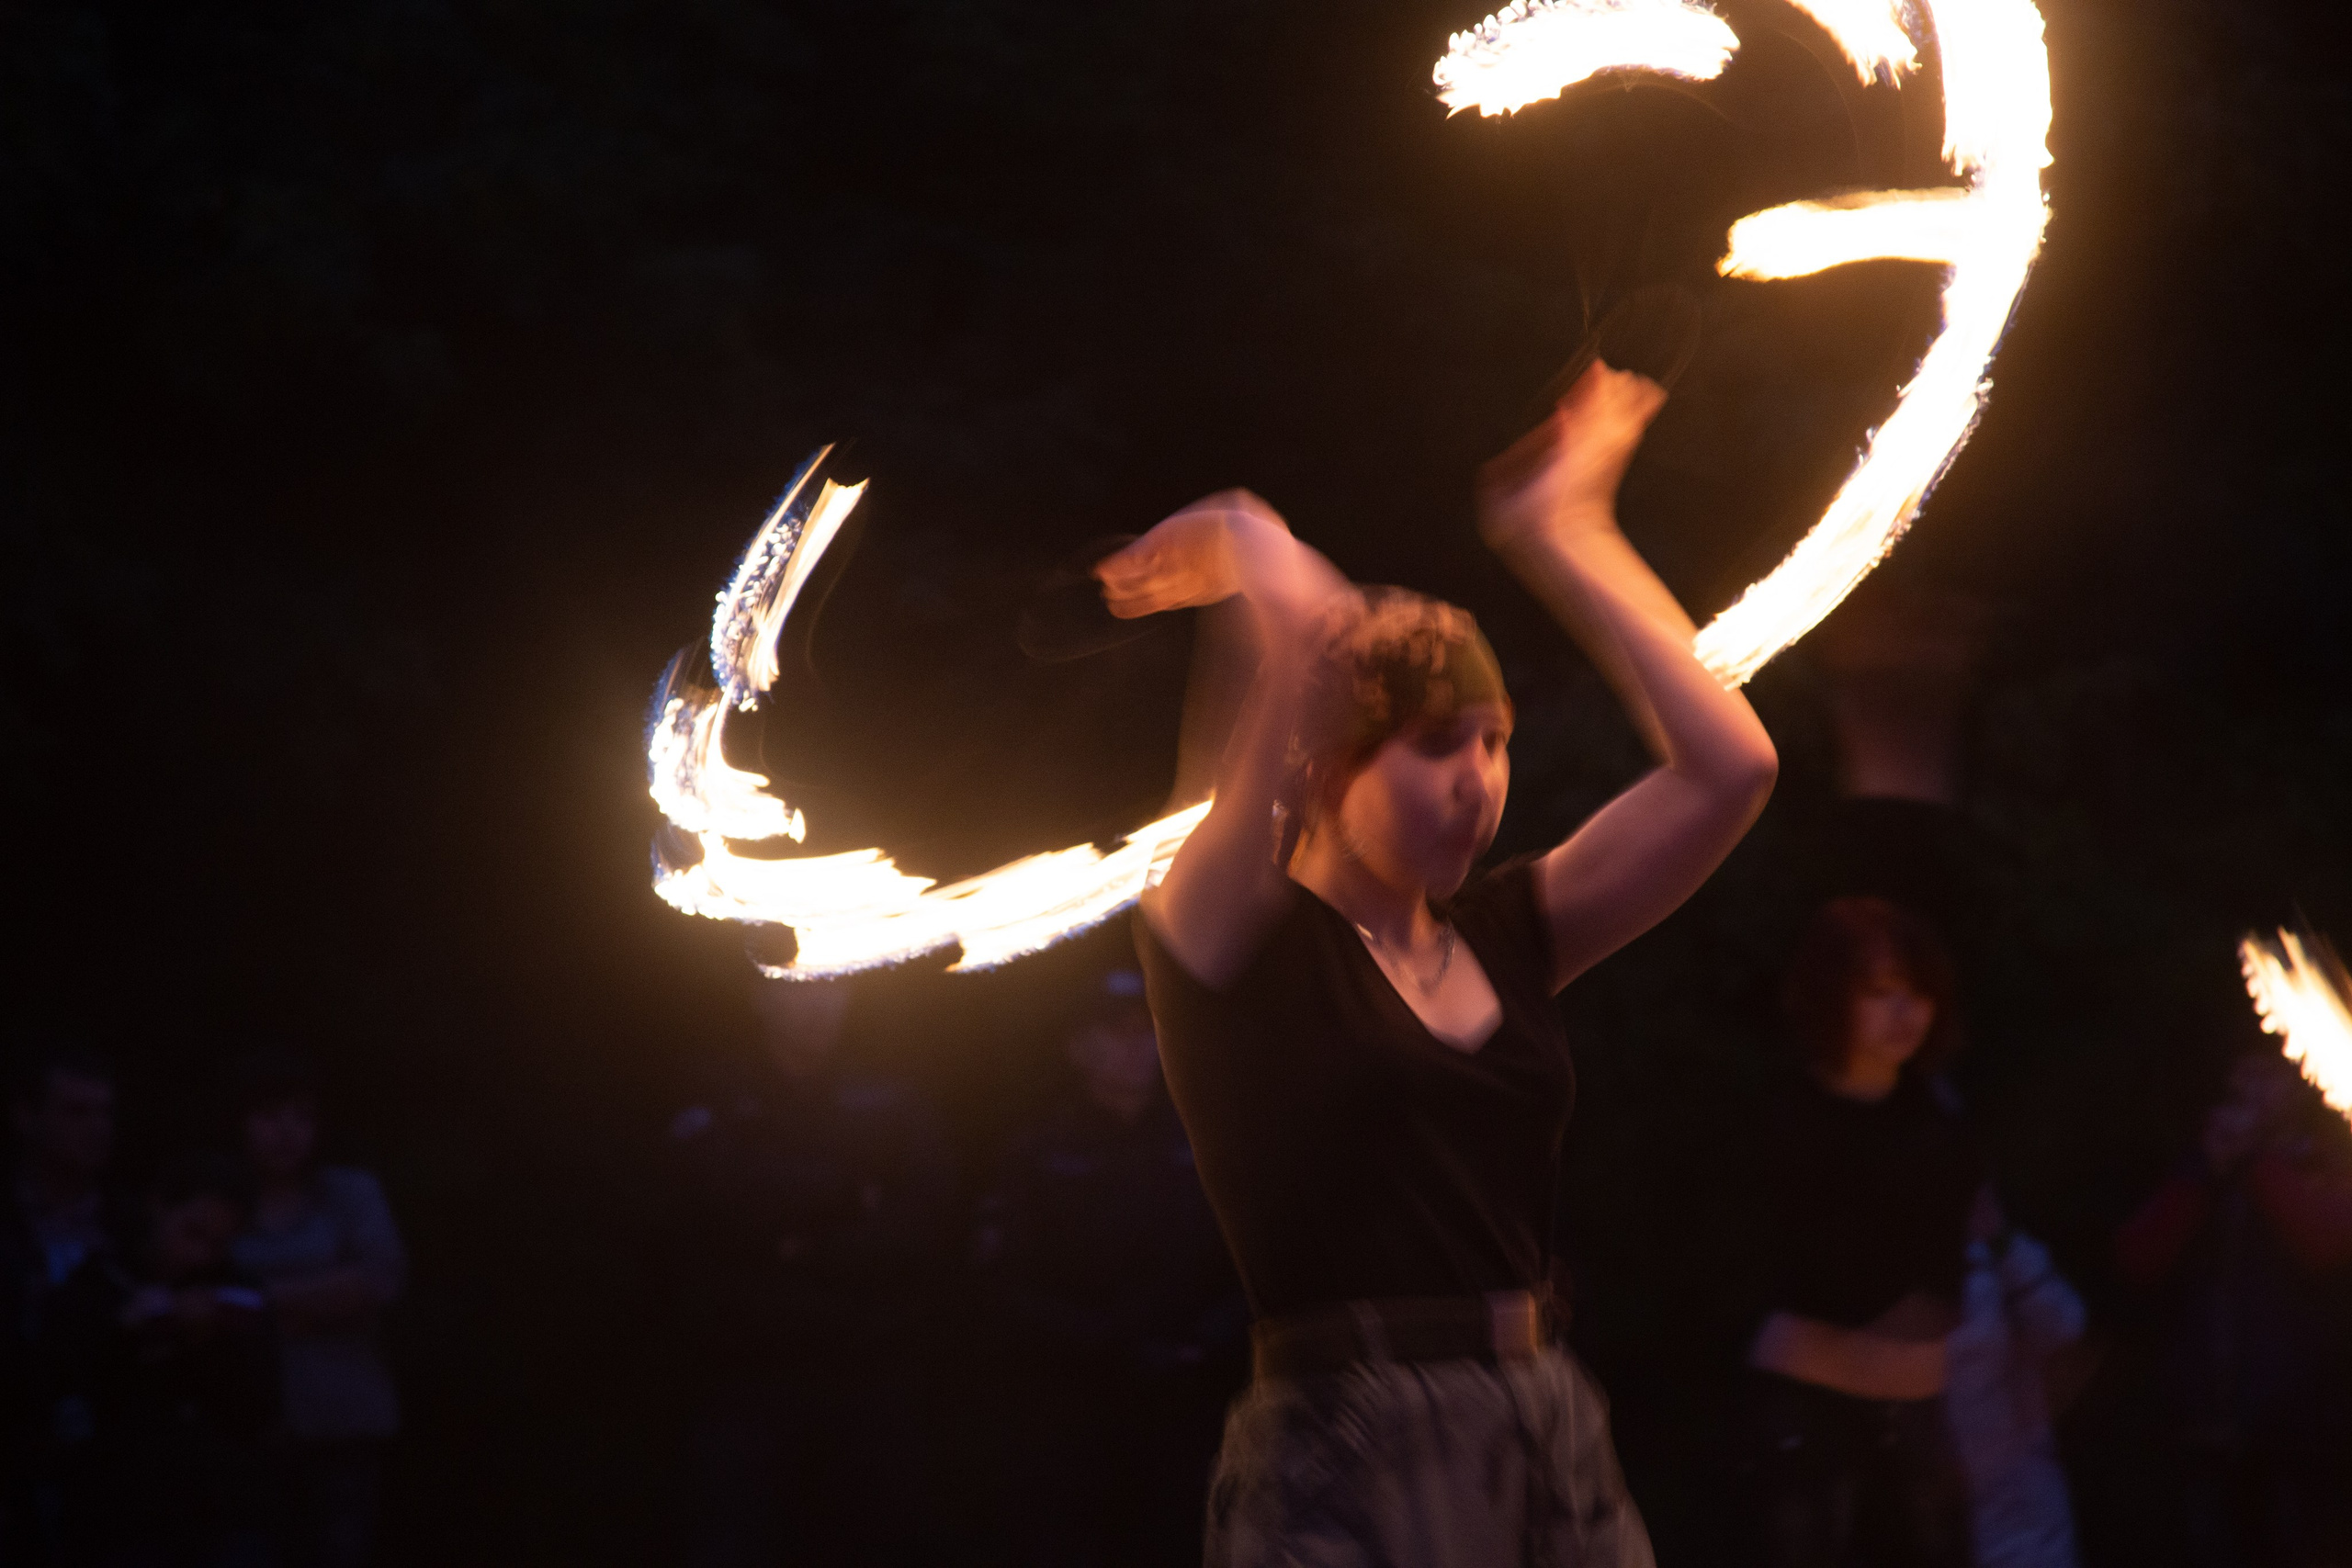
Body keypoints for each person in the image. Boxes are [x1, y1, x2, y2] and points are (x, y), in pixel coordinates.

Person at [1103, 362, 1778, 1564]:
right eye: (1432, 744)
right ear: (1327, 767)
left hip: (1543, 1427)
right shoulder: (1230, 936)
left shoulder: (1515, 930)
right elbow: (1305, 634)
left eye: (1496, 739)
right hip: (1345, 1448)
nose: (1480, 777)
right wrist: (1247, 539)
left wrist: (1568, 532)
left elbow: (1731, 767)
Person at [659, 975, 957, 1568]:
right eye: (798, 988)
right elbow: (709, 1200)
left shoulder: (892, 1098)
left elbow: (927, 1214)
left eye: (831, 988)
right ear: (761, 994)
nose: (816, 1004)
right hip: (747, 1375)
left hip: (867, 1374)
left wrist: (803, 1243)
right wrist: (851, 1193)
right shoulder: (716, 1091)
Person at [1731, 895, 1983, 1568]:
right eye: (1881, 992)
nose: (1907, 1013)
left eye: (1918, 993)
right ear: (1832, 996)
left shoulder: (1939, 1126)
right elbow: (1763, 1312)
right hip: (1810, 1434)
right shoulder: (1784, 1124)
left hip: (1918, 1432)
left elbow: (1939, 1299)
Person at [975, 963, 1249, 1567]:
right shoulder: (1038, 1153)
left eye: (1144, 1028)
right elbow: (1007, 1284)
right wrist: (1107, 1343)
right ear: (1077, 1045)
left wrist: (1204, 1342)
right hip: (1078, 1412)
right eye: (1114, 1031)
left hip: (1190, 1403)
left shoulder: (1208, 1141)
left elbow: (1248, 1264)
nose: (1134, 1046)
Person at [2111, 1044, 2352, 1568]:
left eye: (2269, 1075)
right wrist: (2204, 1169)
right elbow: (2138, 1257)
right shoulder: (2198, 1163)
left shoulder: (2325, 1158)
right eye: (2243, 1071)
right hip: (2204, 1442)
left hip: (2303, 1441)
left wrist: (2252, 1162)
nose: (2251, 1086)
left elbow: (2327, 1243)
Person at [43, 1153, 280, 1568]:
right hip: (123, 1516)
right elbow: (54, 1382)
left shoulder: (238, 1295)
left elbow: (261, 1404)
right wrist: (122, 1333)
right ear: (160, 1205)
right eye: (192, 1233)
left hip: (221, 1511)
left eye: (218, 1244)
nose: (199, 1256)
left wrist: (208, 1342)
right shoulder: (100, 1281)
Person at [230, 1052, 407, 1568]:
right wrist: (323, 1296)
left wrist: (261, 1302)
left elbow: (382, 1278)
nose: (286, 1134)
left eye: (301, 1118)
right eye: (269, 1117)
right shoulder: (223, 1198)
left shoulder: (350, 1190)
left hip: (344, 1425)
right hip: (247, 1432)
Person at [4, 1045, 132, 1561]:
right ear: (26, 1117)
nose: (97, 1127)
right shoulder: (8, 1225)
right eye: (76, 1112)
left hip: (114, 1477)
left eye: (105, 1112)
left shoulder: (132, 1226)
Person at [1943, 1184, 2086, 1568]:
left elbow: (2064, 1326)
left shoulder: (1997, 1257)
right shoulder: (1887, 1268)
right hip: (1944, 1526)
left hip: (2026, 1533)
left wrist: (1998, 1235)